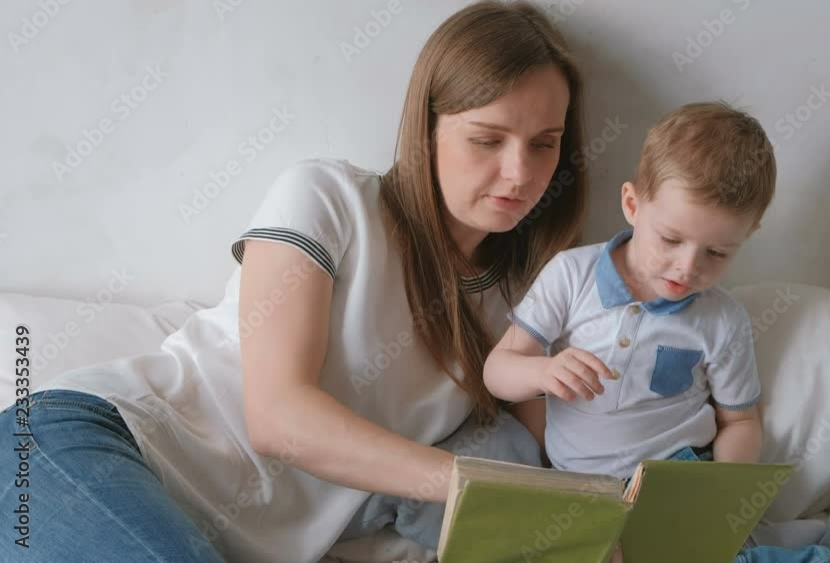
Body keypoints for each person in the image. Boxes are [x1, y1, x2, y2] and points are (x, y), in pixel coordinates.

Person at [0, 2, 588, 561]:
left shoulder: (530, 300)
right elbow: (279, 417)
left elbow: (548, 464)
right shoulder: (331, 199)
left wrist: (582, 527)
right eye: (487, 139)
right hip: (81, 448)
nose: (520, 172)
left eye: (545, 145)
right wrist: (471, 484)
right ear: (426, 128)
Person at [483, 101, 830, 563]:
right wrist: (542, 372)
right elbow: (497, 371)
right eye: (670, 240)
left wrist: (722, 496)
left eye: (717, 253)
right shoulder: (571, 276)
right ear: (632, 205)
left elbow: (740, 421)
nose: (688, 267)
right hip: (583, 490)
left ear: (747, 236)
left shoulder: (722, 320)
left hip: (675, 482)